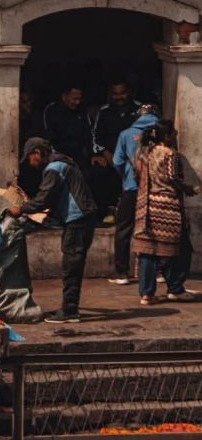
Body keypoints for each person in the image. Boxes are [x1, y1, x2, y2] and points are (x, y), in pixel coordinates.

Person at [9, 137, 98, 323]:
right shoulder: (63, 163)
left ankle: (70, 311)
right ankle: (68, 307)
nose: (31, 163)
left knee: (71, 266)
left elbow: (43, 200)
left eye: (30, 158)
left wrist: (21, 209)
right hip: (80, 218)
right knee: (72, 264)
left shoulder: (54, 168)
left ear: (38, 153)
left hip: (78, 220)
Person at [131, 120, 198, 305]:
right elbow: (171, 177)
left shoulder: (143, 154)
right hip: (167, 207)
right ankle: (175, 288)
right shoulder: (170, 154)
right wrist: (187, 189)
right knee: (181, 249)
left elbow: (136, 176)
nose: (175, 136)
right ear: (167, 136)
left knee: (148, 251)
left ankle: (146, 294)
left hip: (146, 207)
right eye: (173, 134)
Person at [108, 103, 159, 285]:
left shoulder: (126, 134)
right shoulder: (162, 133)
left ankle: (122, 273)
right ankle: (158, 271)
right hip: (156, 189)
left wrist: (128, 177)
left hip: (132, 187)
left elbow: (117, 161)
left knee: (124, 228)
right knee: (155, 228)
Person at [89, 80, 141, 222]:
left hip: (134, 157)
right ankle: (109, 210)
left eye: (122, 93)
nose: (119, 97)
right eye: (115, 94)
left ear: (128, 92)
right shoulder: (104, 111)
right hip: (110, 156)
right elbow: (96, 136)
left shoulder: (139, 109)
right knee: (100, 173)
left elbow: (145, 134)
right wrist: (106, 153)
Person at [43, 84, 92, 169]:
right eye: (74, 99)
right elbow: (47, 137)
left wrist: (92, 154)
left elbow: (89, 133)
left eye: (79, 99)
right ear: (64, 96)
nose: (77, 102)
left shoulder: (82, 110)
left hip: (79, 155)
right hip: (57, 155)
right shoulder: (52, 110)